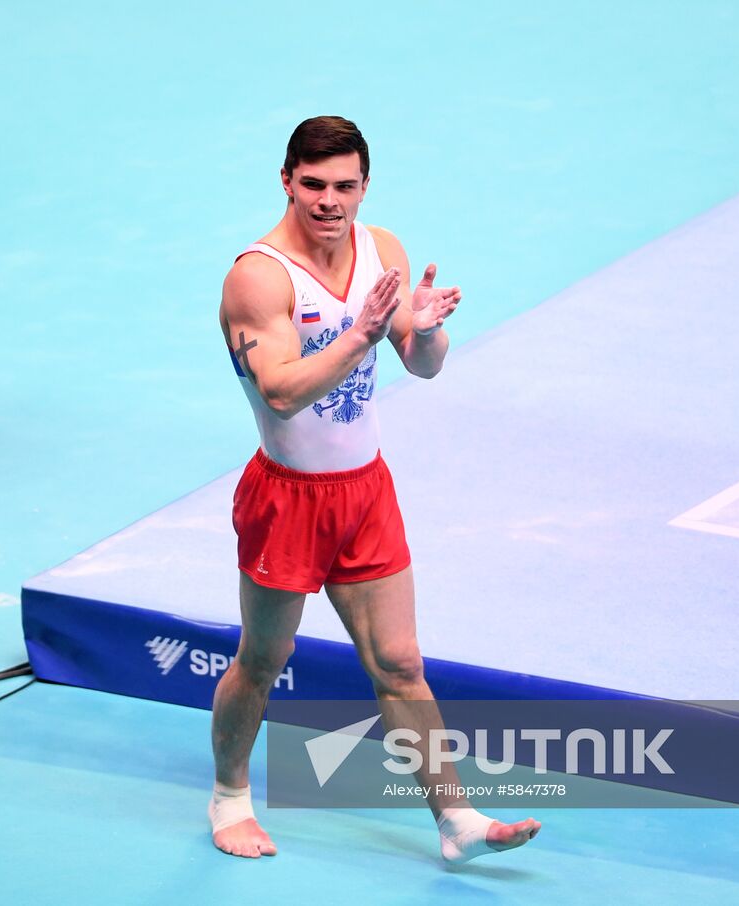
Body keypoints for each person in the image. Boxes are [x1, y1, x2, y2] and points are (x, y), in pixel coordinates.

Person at [210, 115, 541, 864]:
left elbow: (422, 366)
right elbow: (283, 392)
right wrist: (359, 336)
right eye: (315, 185)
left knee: (399, 663)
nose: (331, 201)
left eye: (346, 186)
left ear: (365, 185)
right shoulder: (258, 277)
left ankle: (455, 822)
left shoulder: (381, 249)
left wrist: (421, 333)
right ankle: (229, 795)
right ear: (287, 180)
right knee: (262, 659)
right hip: (287, 496)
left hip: (365, 490)